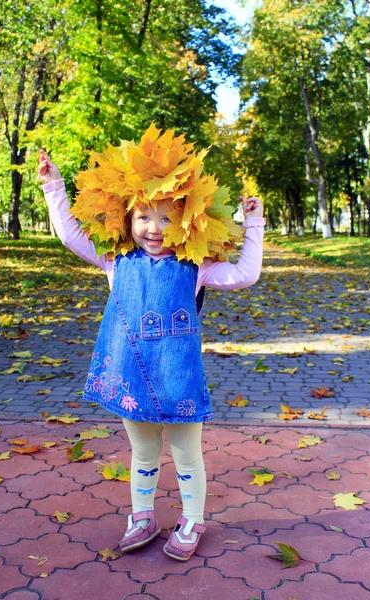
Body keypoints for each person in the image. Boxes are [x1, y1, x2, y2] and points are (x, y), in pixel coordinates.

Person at [38, 126, 264, 562]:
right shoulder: (113, 259)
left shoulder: (195, 264)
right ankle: (142, 514)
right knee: (141, 451)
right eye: (144, 216)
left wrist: (253, 222)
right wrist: (54, 185)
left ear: (186, 220)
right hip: (130, 376)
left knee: (185, 455)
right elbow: (68, 234)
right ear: (126, 218)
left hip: (177, 379)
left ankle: (192, 517)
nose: (154, 228)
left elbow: (245, 274)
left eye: (167, 217)